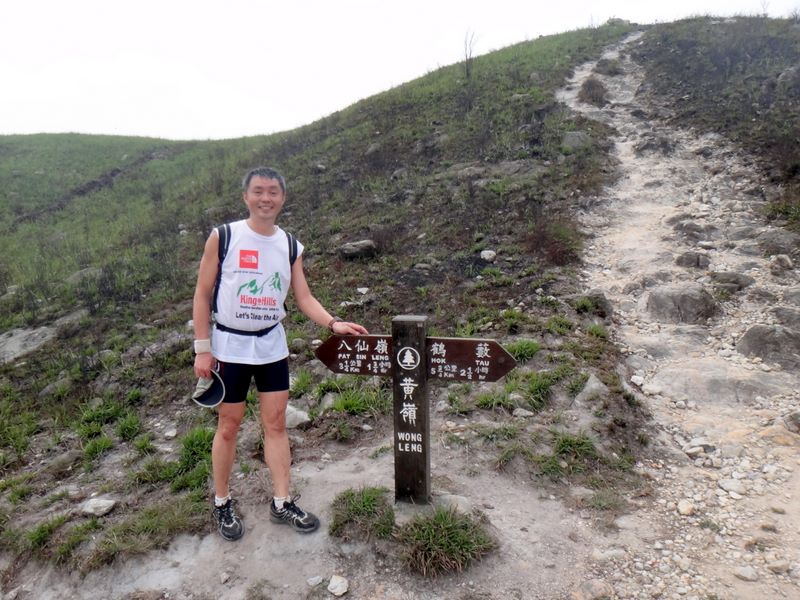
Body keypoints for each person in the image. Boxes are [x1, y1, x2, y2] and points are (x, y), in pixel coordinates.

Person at [192, 166, 368, 541]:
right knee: (229, 425)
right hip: (229, 346)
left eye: (273, 192)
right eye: (258, 191)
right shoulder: (224, 236)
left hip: (271, 345)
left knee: (275, 424)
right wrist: (202, 349)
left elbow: (303, 296)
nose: (265, 198)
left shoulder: (289, 245)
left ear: (283, 198)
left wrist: (333, 323)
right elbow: (203, 294)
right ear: (246, 196)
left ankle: (282, 501)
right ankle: (222, 501)